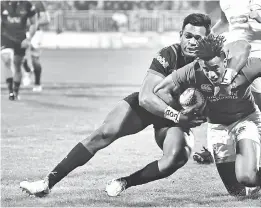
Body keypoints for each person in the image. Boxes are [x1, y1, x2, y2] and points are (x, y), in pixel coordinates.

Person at [19, 13, 210, 197]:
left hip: (174, 121)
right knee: (103, 133)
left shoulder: (213, 66)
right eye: (188, 36)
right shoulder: (169, 54)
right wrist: (178, 115)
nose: (192, 42)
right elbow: (145, 97)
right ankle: (46, 183)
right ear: (180, 35)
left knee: (177, 158)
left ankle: (125, 182)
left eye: (198, 38)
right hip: (150, 108)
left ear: (207, 40)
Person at [154, 35, 261, 196]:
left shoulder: (246, 67)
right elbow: (160, 90)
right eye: (205, 69)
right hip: (217, 128)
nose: (211, 74)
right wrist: (179, 112)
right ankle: (259, 181)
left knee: (246, 177)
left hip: (246, 120)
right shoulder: (192, 71)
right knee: (238, 193)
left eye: (215, 68)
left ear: (225, 61)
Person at [1, 1, 38, 100]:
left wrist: (28, 38)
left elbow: (34, 23)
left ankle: (16, 91)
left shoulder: (27, 5)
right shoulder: (2, 4)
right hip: (5, 38)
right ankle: (10, 92)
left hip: (20, 39)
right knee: (6, 60)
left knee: (17, 64)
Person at [22, 1, 50, 92]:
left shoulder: (37, 2)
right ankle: (27, 70)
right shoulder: (17, 3)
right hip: (19, 32)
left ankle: (37, 84)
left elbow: (46, 19)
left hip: (36, 33)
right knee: (19, 57)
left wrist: (32, 23)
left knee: (35, 58)